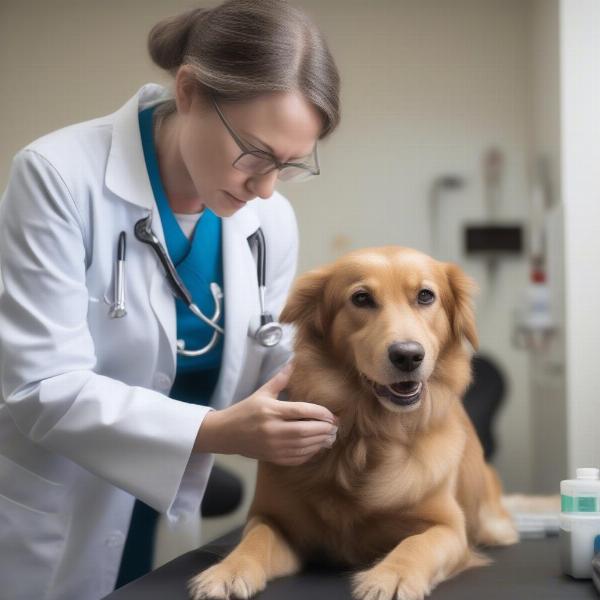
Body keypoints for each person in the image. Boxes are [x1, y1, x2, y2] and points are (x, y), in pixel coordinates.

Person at [0, 1, 341, 598]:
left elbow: (271, 365)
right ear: (188, 91)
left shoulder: (268, 220)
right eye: (254, 154)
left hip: (164, 499)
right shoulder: (57, 177)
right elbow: (40, 388)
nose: (264, 187)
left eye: (286, 167)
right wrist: (217, 431)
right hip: (58, 500)